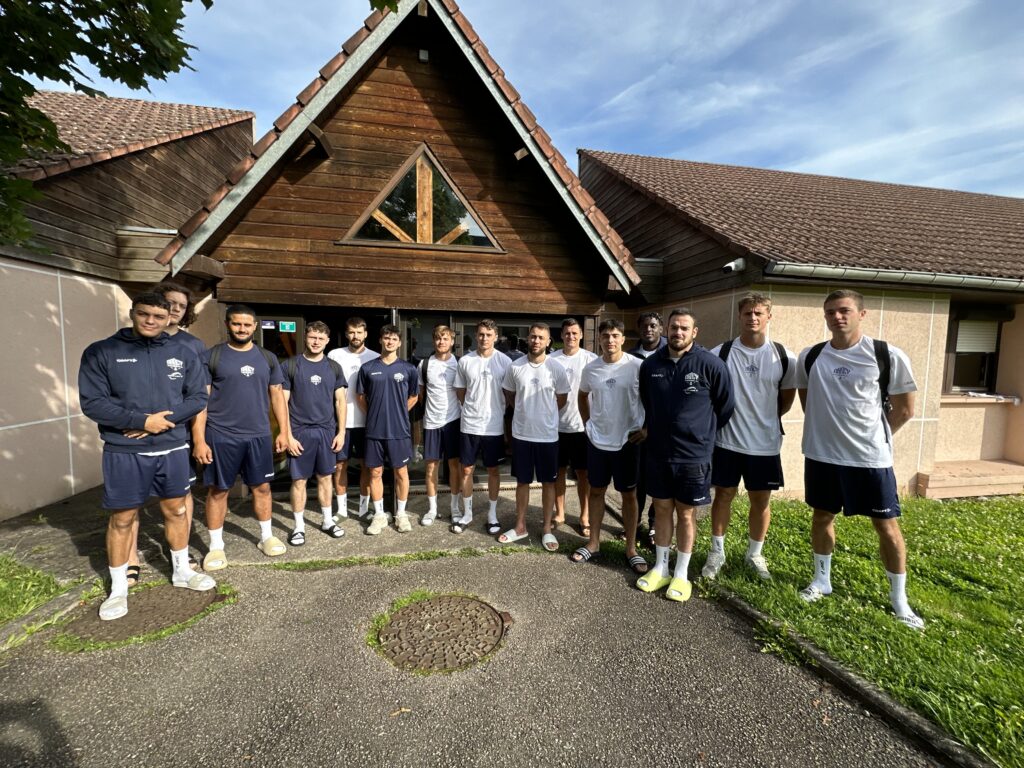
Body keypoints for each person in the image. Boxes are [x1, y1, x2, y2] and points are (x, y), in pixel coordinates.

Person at [79, 292, 214, 620]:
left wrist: (161, 422)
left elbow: (198, 396)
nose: (151, 321)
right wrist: (141, 422)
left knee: (177, 510)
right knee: (123, 518)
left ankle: (182, 571)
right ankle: (118, 588)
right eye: (144, 314)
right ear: (132, 313)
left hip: (172, 447)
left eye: (158, 315)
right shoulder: (103, 351)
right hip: (125, 451)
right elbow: (92, 403)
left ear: (170, 317)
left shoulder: (183, 352)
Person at [796, 289, 923, 630]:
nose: (837, 317)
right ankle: (821, 581)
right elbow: (809, 403)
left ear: (861, 314)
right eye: (830, 312)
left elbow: (906, 409)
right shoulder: (811, 356)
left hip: (869, 459)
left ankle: (899, 600)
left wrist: (874, 437)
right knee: (822, 517)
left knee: (886, 525)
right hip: (822, 456)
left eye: (844, 310)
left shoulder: (887, 355)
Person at [636, 308, 734, 602]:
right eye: (674, 327)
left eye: (684, 328)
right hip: (659, 453)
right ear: (666, 329)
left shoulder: (710, 364)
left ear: (694, 332)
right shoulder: (651, 365)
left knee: (686, 514)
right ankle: (661, 568)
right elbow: (647, 401)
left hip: (693, 456)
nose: (678, 333)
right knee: (662, 509)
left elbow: (725, 407)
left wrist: (698, 432)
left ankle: (681, 573)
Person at [702, 293, 797, 581]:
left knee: (761, 500)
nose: (752, 318)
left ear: (769, 316)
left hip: (765, 444)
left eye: (758, 313)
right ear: (739, 316)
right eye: (747, 313)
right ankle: (717, 551)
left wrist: (761, 421)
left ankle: (754, 553)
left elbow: (786, 401)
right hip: (727, 441)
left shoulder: (784, 356)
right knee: (723, 497)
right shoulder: (721, 352)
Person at [192, 305, 290, 570]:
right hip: (221, 435)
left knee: (262, 488)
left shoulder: (267, 358)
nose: (242, 329)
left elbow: (278, 398)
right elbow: (201, 402)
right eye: (237, 324)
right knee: (218, 491)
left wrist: (283, 432)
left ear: (255, 326)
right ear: (228, 324)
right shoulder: (212, 357)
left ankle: (266, 537)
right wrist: (199, 440)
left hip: (258, 435)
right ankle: (215, 547)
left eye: (247, 325)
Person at [121, 281, 205, 585]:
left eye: (180, 307)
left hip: (175, 437)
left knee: (180, 499)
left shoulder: (192, 347)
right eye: (169, 303)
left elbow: (199, 397)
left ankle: (180, 554)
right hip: (130, 437)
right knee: (129, 503)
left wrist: (196, 437)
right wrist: (140, 421)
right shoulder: (123, 344)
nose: (173, 310)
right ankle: (129, 558)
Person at [573, 319, 647, 573]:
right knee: (596, 491)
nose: (610, 340)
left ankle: (631, 549)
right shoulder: (591, 369)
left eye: (615, 335)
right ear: (600, 339)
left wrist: (646, 428)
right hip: (598, 441)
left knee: (629, 494)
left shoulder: (638, 366)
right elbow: (582, 396)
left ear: (623, 338)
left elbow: (653, 399)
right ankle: (593, 543)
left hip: (628, 441)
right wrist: (588, 424)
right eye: (605, 336)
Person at [496, 323, 569, 550]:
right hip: (521, 435)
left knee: (549, 482)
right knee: (522, 482)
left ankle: (546, 528)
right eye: (533, 337)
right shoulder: (515, 367)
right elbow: (509, 393)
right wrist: (525, 411)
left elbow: (562, 399)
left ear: (549, 342)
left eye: (541, 338)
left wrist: (543, 414)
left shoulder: (556, 368)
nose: (536, 341)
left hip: (547, 436)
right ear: (528, 339)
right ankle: (520, 526)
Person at [281, 321, 348, 545]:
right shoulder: (291, 365)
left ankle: (328, 521)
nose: (316, 341)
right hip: (300, 431)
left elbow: (340, 401)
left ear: (327, 341)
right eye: (312, 337)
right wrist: (287, 435)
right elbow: (282, 402)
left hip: (326, 431)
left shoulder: (333, 367)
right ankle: (298, 527)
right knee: (299, 480)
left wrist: (341, 432)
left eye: (321, 338)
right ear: (305, 338)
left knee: (326, 477)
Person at [356, 324, 419, 535]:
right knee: (375, 471)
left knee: (401, 471)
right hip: (374, 430)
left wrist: (398, 412)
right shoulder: (367, 368)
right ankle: (380, 515)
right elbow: (361, 398)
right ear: (380, 341)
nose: (389, 342)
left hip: (399, 430)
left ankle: (401, 514)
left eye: (393, 339)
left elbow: (414, 397)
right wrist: (376, 414)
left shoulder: (408, 369)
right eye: (386, 338)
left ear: (399, 343)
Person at [453, 319, 512, 534]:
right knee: (466, 469)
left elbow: (509, 393)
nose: (484, 338)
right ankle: (467, 514)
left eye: (488, 334)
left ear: (495, 336)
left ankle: (492, 514)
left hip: (494, 426)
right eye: (480, 334)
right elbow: (460, 391)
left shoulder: (505, 362)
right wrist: (472, 408)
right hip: (469, 424)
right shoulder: (466, 361)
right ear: (476, 335)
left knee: (493, 470)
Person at [550, 318, 598, 536]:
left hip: (581, 427)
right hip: (555, 427)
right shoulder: (551, 360)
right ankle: (559, 513)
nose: (570, 337)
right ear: (561, 335)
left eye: (574, 333)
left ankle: (584, 516)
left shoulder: (591, 360)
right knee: (557, 472)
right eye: (567, 333)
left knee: (583, 474)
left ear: (581, 335)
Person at [328, 318, 380, 520]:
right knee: (340, 465)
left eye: (359, 332)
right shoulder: (334, 354)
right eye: (351, 332)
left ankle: (363, 508)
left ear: (366, 334)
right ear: (346, 333)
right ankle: (341, 509)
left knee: (367, 465)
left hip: (368, 423)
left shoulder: (375, 356)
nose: (355, 336)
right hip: (341, 423)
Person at [418, 324, 462, 526]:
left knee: (454, 466)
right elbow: (421, 394)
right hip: (431, 423)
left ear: (452, 341)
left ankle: (454, 508)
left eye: (445, 338)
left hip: (453, 422)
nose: (441, 341)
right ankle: (432, 509)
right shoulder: (424, 365)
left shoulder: (460, 363)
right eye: (438, 338)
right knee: (430, 468)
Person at [629, 311, 667, 539]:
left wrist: (651, 428)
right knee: (637, 481)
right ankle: (633, 523)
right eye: (644, 325)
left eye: (653, 325)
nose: (649, 329)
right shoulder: (630, 356)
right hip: (635, 431)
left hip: (660, 431)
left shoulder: (671, 355)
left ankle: (654, 524)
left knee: (659, 480)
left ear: (661, 328)